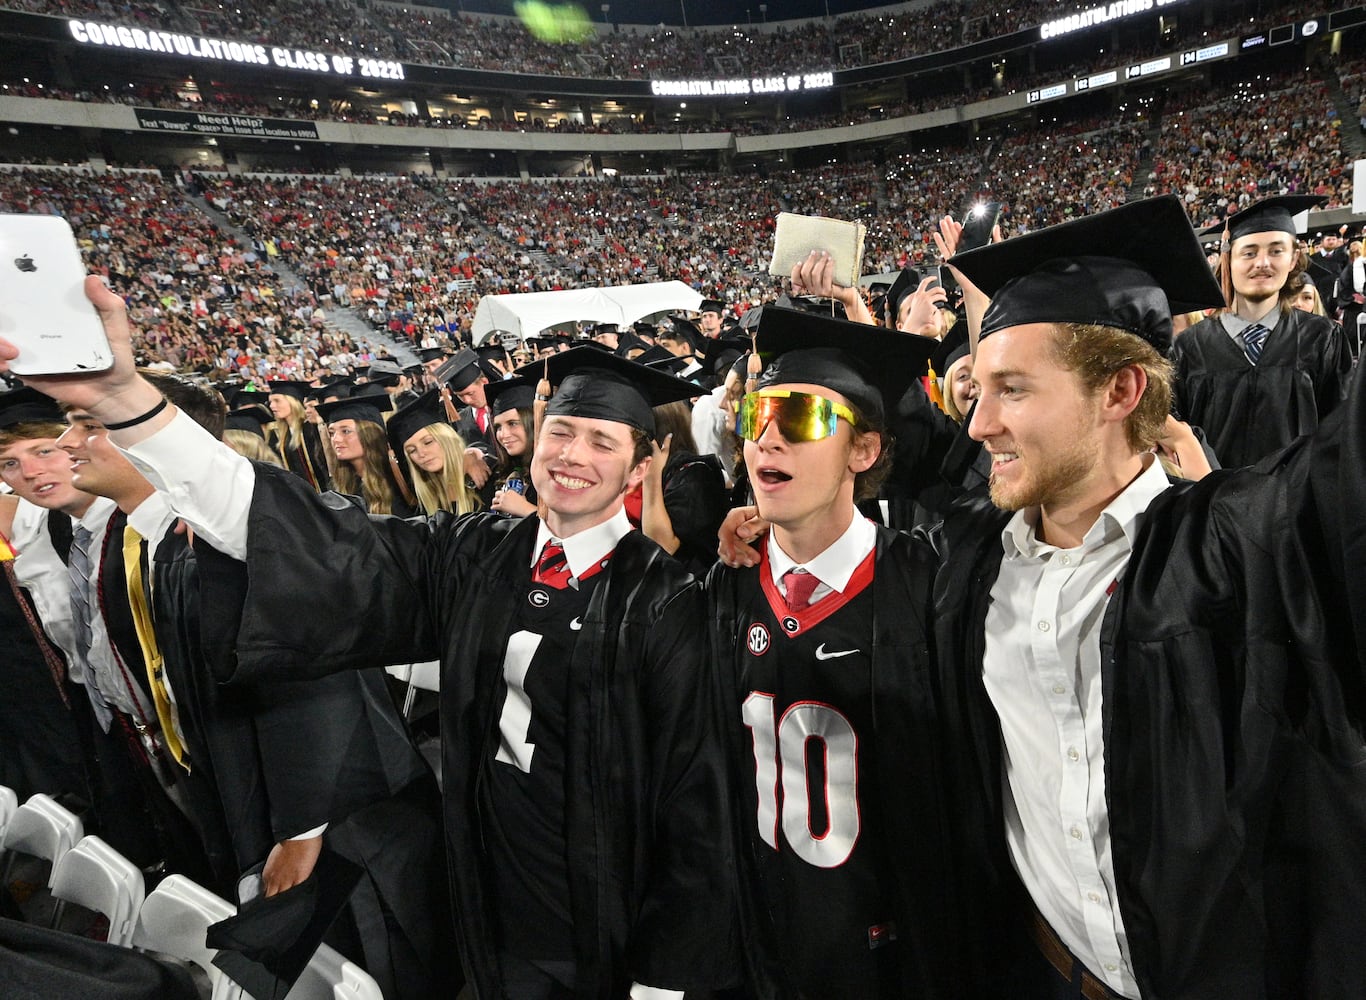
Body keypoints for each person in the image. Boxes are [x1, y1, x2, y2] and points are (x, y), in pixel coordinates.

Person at [4, 287, 739, 1000]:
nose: (573, 454)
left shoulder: (669, 603)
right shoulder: (475, 553)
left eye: (603, 441)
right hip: (485, 880)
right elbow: (312, 538)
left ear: (639, 467)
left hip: (605, 906)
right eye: (562, 432)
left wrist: (664, 976)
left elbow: (695, 806)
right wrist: (130, 406)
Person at [931, 196, 1366, 999]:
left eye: (1013, 389)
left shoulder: (1247, 545)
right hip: (1047, 973)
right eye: (980, 390)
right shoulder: (969, 563)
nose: (979, 423)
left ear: (1121, 391)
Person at [705, 306, 982, 998]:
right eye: (756, 416)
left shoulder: (930, 585)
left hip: (899, 958)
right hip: (761, 946)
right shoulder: (723, 590)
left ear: (863, 451)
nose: (766, 438)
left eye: (799, 419)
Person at [1172, 195, 1351, 468]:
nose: (1262, 263)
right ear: (1228, 259)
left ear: (1293, 259)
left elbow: (1339, 434)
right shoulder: (1188, 347)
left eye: (1276, 251)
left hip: (1296, 493)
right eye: (1249, 252)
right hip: (1213, 492)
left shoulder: (1322, 339)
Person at [318, 392, 417, 517]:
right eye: (332, 433)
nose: (336, 439)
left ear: (369, 435)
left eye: (346, 431)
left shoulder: (399, 477)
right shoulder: (340, 486)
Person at [387, 390, 481, 517]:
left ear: (446, 439)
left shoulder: (482, 478)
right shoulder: (425, 505)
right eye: (412, 451)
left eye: (428, 442)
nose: (421, 453)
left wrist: (476, 453)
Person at [484, 376, 539, 518]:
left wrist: (526, 510)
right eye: (498, 427)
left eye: (513, 423)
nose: (503, 435)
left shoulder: (555, 471)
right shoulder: (499, 472)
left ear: (534, 422)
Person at [264, 380, 330, 491]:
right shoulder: (278, 434)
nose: (272, 406)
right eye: (270, 402)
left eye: (277, 401)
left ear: (293, 402)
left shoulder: (311, 429)